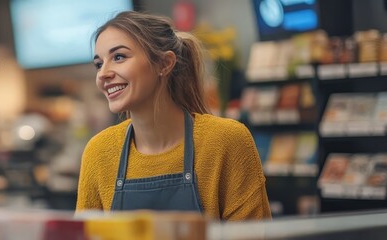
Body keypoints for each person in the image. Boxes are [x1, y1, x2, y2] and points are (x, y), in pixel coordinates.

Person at [76, 11, 271, 221]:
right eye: (98, 64)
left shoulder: (226, 141)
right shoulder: (98, 153)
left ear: (165, 63)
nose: (102, 74)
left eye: (119, 57)